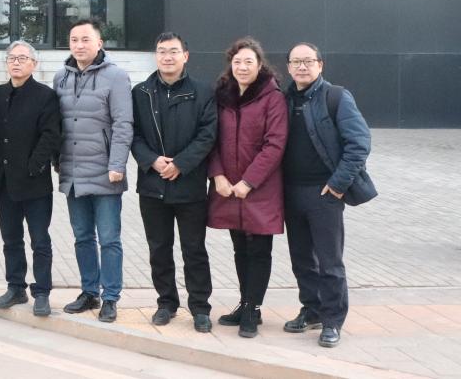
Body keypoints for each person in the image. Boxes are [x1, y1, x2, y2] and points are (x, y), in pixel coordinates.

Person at [281, 42, 376, 349]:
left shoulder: (336, 97)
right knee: (301, 260)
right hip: (290, 192)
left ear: (320, 65)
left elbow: (359, 143)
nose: (302, 66)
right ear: (288, 67)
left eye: (308, 61)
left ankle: (332, 320)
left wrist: (337, 185)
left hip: (324, 194)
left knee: (329, 262)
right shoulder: (282, 99)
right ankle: (312, 310)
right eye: (296, 62)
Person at [131, 32, 217, 333]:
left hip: (189, 185)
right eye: (161, 51)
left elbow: (208, 134)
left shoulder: (203, 92)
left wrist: (180, 164)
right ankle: (166, 303)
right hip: (152, 185)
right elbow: (133, 134)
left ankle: (200, 307)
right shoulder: (140, 92)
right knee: (159, 249)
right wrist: (152, 160)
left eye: (173, 51)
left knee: (194, 249)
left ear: (185, 56)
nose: (167, 57)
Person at [207, 36, 288, 338]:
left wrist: (248, 182)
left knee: (259, 250)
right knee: (240, 247)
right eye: (237, 61)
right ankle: (244, 303)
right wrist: (217, 175)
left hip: (260, 189)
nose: (242, 67)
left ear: (260, 64)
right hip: (228, 188)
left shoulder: (272, 97)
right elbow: (211, 139)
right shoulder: (222, 95)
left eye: (248, 62)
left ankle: (253, 309)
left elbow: (274, 144)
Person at [54, 18, 133, 324]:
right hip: (73, 173)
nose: (79, 45)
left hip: (105, 172)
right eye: (74, 40)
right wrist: (57, 162)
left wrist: (117, 164)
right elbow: (56, 124)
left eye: (85, 39)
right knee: (82, 237)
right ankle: (89, 291)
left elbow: (123, 124)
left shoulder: (116, 76)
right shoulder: (61, 76)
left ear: (99, 43)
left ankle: (110, 296)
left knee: (109, 238)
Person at [0, 40, 61, 317]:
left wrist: (33, 166)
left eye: (22, 58)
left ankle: (42, 292)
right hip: (4, 182)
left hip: (34, 182)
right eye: (12, 58)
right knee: (11, 239)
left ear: (34, 64)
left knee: (40, 240)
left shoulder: (45, 96)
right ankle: (16, 287)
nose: (16, 62)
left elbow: (50, 135)